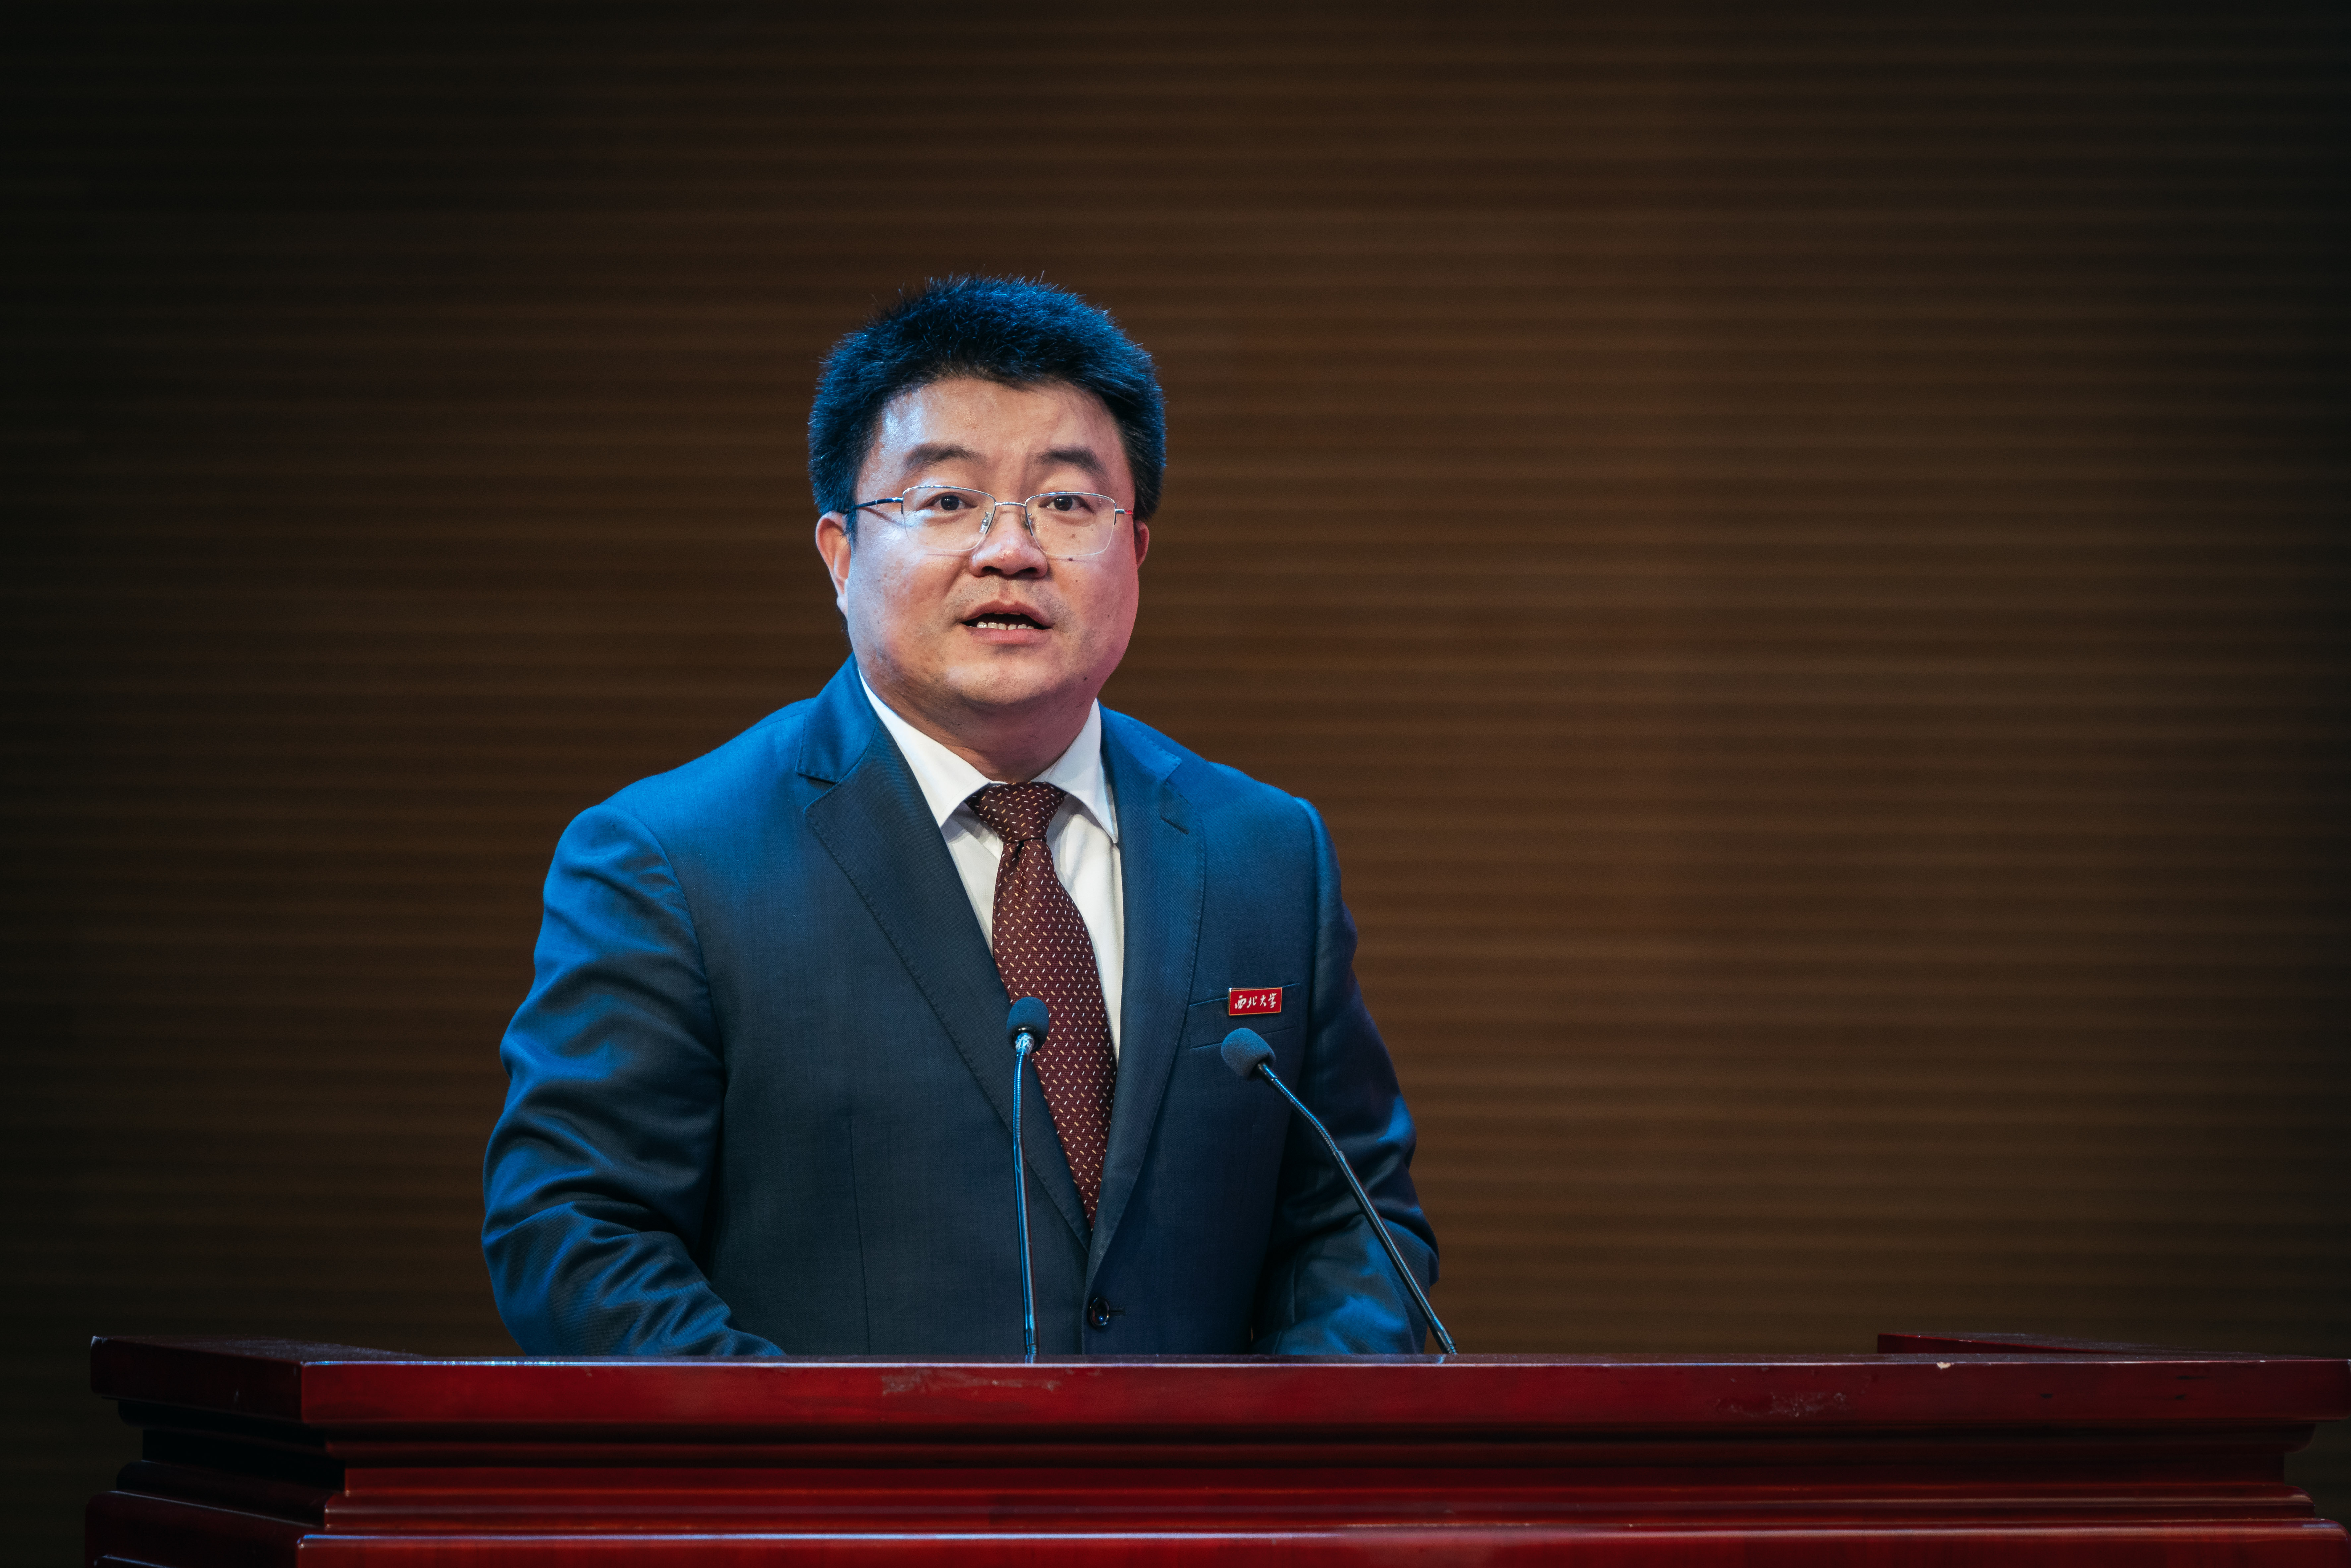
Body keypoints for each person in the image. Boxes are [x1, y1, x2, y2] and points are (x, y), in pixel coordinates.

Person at [482, 277, 1436, 1356]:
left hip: (1202, 1477)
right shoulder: (671, 859)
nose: (1011, 549)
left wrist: (1271, 1447)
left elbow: (1355, 1230)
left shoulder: (1264, 850)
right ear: (841, 555)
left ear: (1136, 552)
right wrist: (820, 1448)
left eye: (1067, 503)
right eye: (945, 501)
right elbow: (576, 1236)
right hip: (824, 1473)